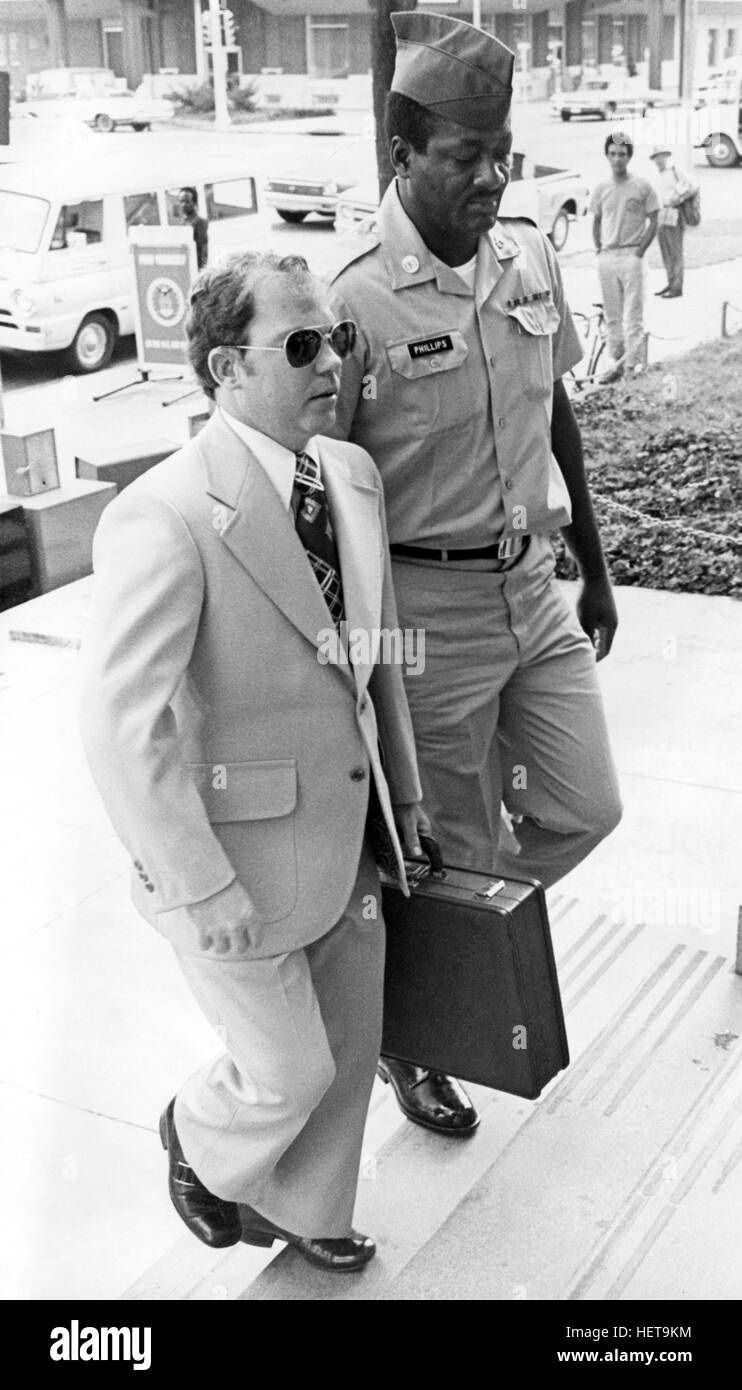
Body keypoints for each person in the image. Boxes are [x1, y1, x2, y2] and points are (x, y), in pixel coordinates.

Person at [80, 251, 428, 1273]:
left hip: (351, 833)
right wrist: (200, 882)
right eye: (303, 345)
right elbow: (118, 723)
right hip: (238, 864)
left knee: (349, 1050)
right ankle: (196, 1141)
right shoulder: (167, 513)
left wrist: (404, 795)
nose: (333, 362)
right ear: (227, 367)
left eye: (339, 338)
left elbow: (375, 656)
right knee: (284, 1067)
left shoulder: (349, 474)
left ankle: (311, 1211)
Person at [329, 12, 622, 1137]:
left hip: (531, 590)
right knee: (444, 851)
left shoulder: (530, 253)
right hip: (428, 617)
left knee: (587, 802)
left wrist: (591, 566)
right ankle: (420, 1040)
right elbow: (327, 495)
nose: (493, 177)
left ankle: (466, 907)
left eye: (502, 152)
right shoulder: (353, 301)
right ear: (401, 155)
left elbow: (554, 410)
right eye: (465, 158)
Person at [590, 132, 659, 382]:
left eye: (621, 154)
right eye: (612, 154)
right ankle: (615, 365)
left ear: (629, 156)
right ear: (606, 155)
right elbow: (597, 220)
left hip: (632, 255)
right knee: (612, 315)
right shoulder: (601, 188)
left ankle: (631, 367)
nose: (617, 159)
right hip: (607, 257)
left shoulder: (642, 186)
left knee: (634, 314)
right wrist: (598, 248)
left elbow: (654, 219)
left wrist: (640, 251)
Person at [649, 145, 694, 299]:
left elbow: (692, 187)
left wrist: (679, 199)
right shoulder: (657, 175)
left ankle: (677, 286)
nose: (659, 160)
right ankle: (670, 282)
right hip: (662, 214)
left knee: (675, 251)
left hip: (674, 213)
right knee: (665, 250)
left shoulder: (676, 171)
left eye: (662, 156)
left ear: (667, 156)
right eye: (656, 157)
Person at [178, 185, 209, 270]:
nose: (183, 205)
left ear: (194, 203)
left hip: (195, 268)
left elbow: (203, 250)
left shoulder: (200, 223)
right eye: (181, 202)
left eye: (187, 202)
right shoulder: (182, 223)